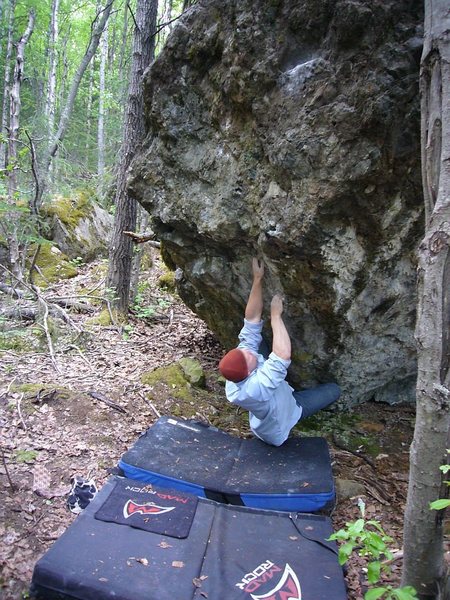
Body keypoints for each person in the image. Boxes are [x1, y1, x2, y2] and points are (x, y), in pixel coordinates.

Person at [219, 257, 340, 446]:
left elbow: (251, 320)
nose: (249, 352)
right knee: (334, 390)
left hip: (275, 391)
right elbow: (282, 356)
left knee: (257, 339)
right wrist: (276, 316)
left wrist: (257, 278)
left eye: (243, 351)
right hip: (289, 412)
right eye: (248, 357)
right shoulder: (255, 389)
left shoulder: (240, 368)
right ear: (249, 372)